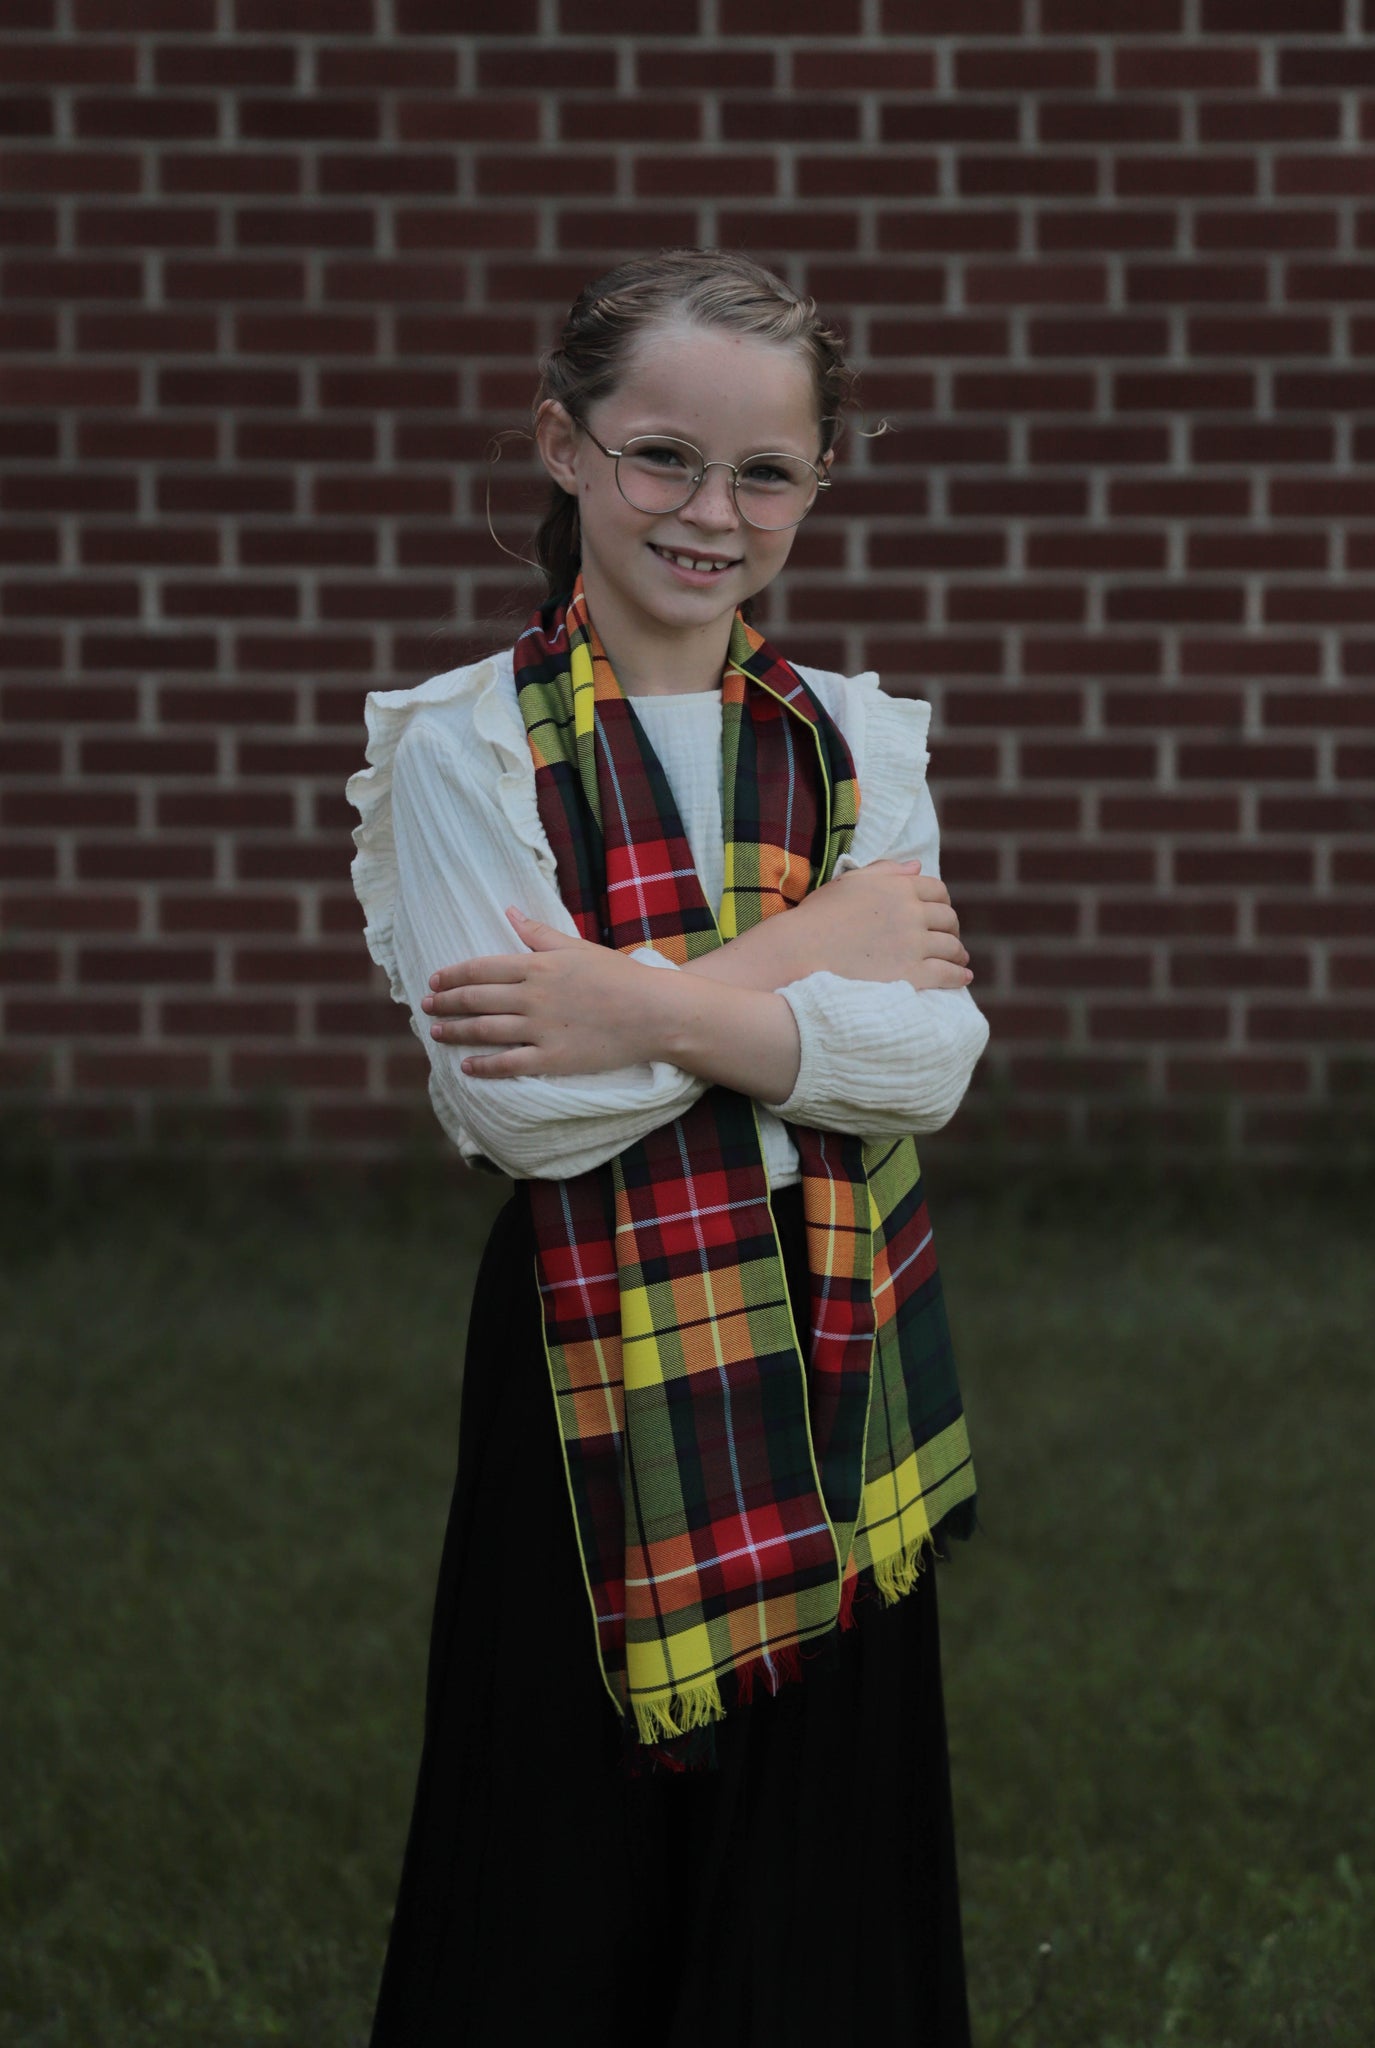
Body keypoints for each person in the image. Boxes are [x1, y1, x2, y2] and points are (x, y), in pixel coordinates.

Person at [346, 248, 991, 2048]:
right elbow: (528, 1106)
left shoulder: (858, 739)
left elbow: (929, 1061)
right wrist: (808, 964)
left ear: (817, 485)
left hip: (835, 1310)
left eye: (765, 472)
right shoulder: (462, 746)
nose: (712, 513)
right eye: (661, 457)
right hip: (591, 1339)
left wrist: (638, 1009)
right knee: (564, 1837)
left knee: (822, 1842)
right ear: (563, 447)